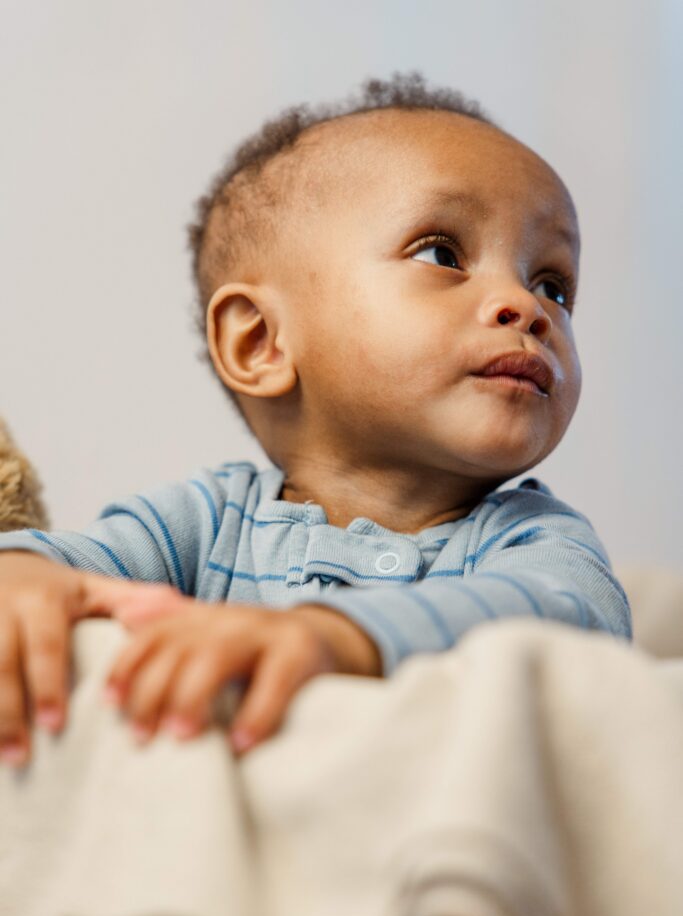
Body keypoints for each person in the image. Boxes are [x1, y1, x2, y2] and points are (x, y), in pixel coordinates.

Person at [0, 72, 631, 767]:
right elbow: (74, 566)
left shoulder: (535, 540)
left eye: (553, 285)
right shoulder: (205, 521)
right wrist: (23, 573)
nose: (528, 308)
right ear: (259, 343)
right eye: (442, 254)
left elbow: (568, 624)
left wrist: (340, 637)